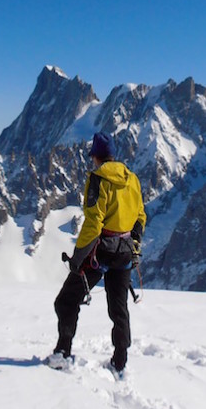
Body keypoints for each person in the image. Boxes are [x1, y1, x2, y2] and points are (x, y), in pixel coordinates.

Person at [49, 131, 146, 376]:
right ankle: (120, 362)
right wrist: (134, 243)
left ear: (96, 157)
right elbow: (140, 217)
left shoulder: (97, 180)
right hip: (124, 253)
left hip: (100, 252)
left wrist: (78, 258)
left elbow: (94, 223)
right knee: (119, 308)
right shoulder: (132, 179)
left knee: (67, 300)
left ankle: (63, 352)